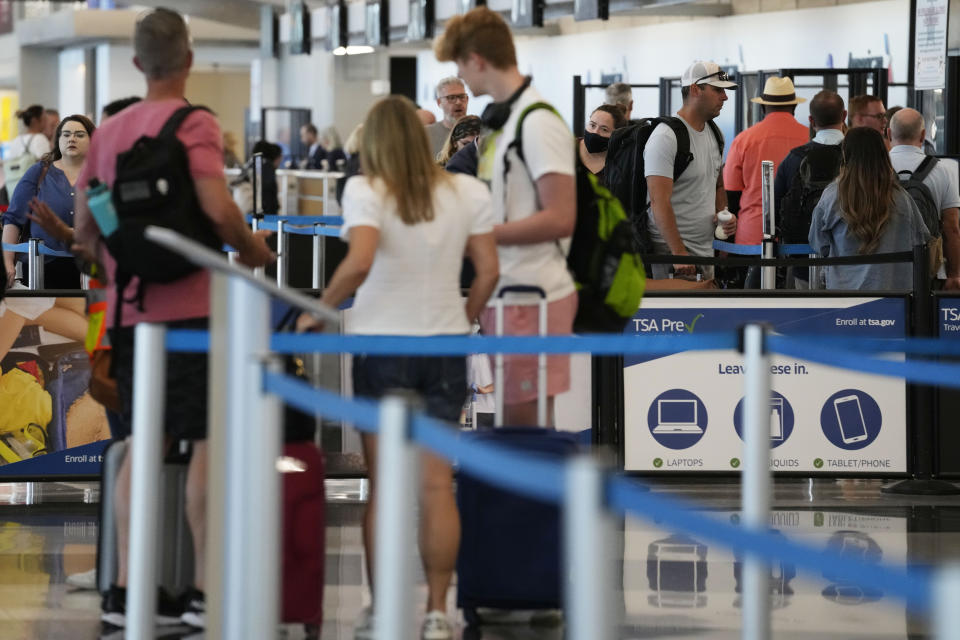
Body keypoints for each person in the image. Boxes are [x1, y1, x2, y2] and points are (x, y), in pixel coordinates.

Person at [72, 7, 274, 629]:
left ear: (136, 63)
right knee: (207, 444)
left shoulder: (110, 133)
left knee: (142, 445)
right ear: (187, 58)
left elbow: (84, 233)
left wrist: (119, 263)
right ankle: (201, 592)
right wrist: (255, 251)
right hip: (196, 313)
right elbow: (217, 208)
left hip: (135, 315)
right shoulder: (196, 124)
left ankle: (126, 590)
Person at [300, 95, 498, 640]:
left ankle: (381, 608)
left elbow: (360, 261)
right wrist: (463, 318)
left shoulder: (367, 189)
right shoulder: (467, 190)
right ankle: (438, 612)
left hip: (382, 348)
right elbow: (487, 272)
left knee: (385, 486)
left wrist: (316, 312)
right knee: (437, 487)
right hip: (445, 350)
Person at [435, 6, 577, 426]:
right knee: (517, 427)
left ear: (477, 60)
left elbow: (561, 217)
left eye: (461, 65)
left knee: (525, 428)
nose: (462, 78)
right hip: (509, 293)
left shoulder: (536, 124)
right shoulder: (504, 126)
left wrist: (479, 233)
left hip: (532, 297)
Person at [645, 60, 737, 279]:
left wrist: (723, 214)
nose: (725, 97)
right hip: (673, 257)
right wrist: (679, 254)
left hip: (703, 251)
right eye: (718, 90)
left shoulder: (716, 134)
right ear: (696, 89)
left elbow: (718, 184)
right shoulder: (665, 137)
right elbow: (659, 201)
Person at [809, 127, 929, 290]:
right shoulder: (902, 199)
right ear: (883, 155)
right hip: (895, 299)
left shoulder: (832, 196)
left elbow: (818, 242)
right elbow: (920, 241)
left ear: (845, 156)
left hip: (844, 297)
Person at [2, 115, 97, 289]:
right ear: (58, 140)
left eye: (79, 135)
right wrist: (7, 262)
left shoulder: (101, 174)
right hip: (41, 269)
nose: (72, 139)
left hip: (91, 268)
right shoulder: (39, 172)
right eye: (66, 134)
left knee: (86, 316)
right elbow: (13, 219)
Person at [723, 76, 809, 247]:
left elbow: (731, 193)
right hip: (800, 235)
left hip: (752, 235)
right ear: (794, 106)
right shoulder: (809, 137)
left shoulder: (744, 140)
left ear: (762, 107)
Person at [774, 90, 846, 287]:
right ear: (845, 116)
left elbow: (775, 206)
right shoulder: (854, 157)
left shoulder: (794, 159)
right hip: (850, 262)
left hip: (803, 258)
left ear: (811, 120)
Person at [889, 108, 960, 290]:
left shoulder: (876, 169)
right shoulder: (943, 171)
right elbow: (951, 227)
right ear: (922, 135)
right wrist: (954, 274)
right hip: (929, 269)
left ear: (889, 133)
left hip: (884, 269)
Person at [2, 105, 52, 197]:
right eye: (44, 119)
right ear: (35, 121)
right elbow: (47, 166)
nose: (46, 123)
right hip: (33, 193)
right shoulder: (40, 139)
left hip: (12, 190)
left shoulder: (15, 141)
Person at [577, 104, 627, 180]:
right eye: (592, 125)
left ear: (616, 135)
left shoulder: (619, 163)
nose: (595, 132)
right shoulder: (569, 147)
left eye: (604, 129)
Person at [426, 76, 471, 157]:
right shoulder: (426, 134)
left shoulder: (481, 131)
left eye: (461, 97)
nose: (458, 102)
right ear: (439, 102)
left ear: (467, 99)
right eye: (451, 98)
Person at [249, 140, 283, 215]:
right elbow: (269, 196)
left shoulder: (251, 165)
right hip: (264, 214)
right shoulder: (267, 168)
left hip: (249, 212)